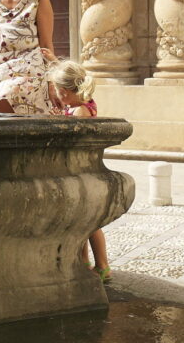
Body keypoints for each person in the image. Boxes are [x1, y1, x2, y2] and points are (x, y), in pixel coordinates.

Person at [47, 58, 110, 283]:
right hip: (84, 172)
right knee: (83, 223)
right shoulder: (82, 104)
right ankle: (83, 262)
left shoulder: (79, 112)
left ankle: (102, 266)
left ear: (63, 92)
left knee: (91, 224)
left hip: (80, 172)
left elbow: (72, 143)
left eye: (56, 89)